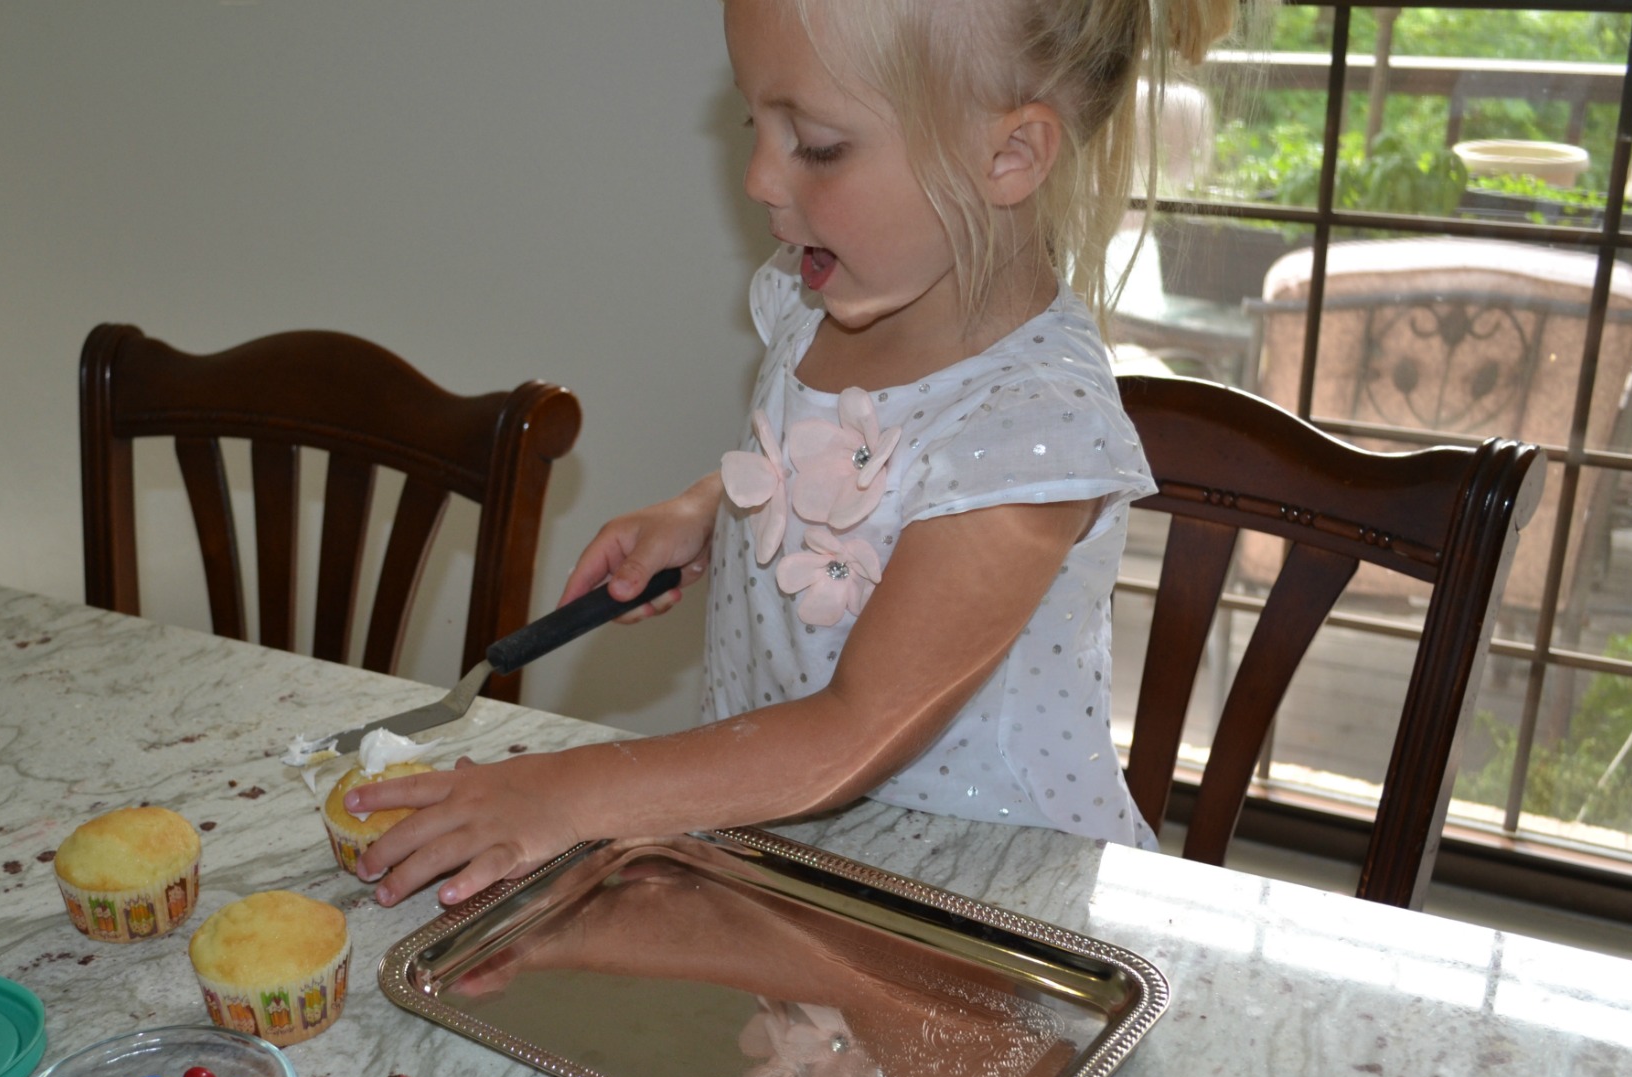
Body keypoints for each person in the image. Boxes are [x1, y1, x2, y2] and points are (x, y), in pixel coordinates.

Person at [351, 0, 1240, 909]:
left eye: (815, 146)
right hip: (797, 864)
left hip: (979, 911)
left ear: (1008, 157)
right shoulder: (816, 301)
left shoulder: (1029, 429)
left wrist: (561, 789)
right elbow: (849, 474)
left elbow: (851, 732)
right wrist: (709, 509)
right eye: (754, 123)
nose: (760, 178)